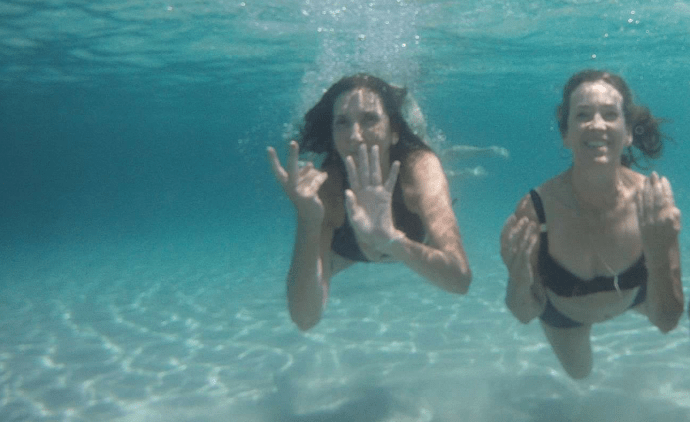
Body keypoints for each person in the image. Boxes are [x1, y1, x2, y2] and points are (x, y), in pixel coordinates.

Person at [500, 69, 684, 379]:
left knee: (674, 307)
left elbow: (666, 322)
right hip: (564, 313)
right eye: (583, 115)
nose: (597, 124)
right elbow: (524, 312)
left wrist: (658, 253)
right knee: (580, 373)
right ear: (566, 134)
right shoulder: (535, 212)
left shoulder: (651, 202)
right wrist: (519, 280)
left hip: (635, 296)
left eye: (610, 114)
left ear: (628, 133)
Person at [268, 74, 472, 331]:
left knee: (432, 157)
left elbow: (460, 281)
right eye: (342, 122)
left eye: (370, 119)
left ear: (394, 131)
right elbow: (305, 319)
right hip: (349, 253)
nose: (355, 136)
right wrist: (308, 221)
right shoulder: (327, 189)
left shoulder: (419, 169)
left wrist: (391, 240)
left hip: (412, 239)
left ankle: (402, 100)